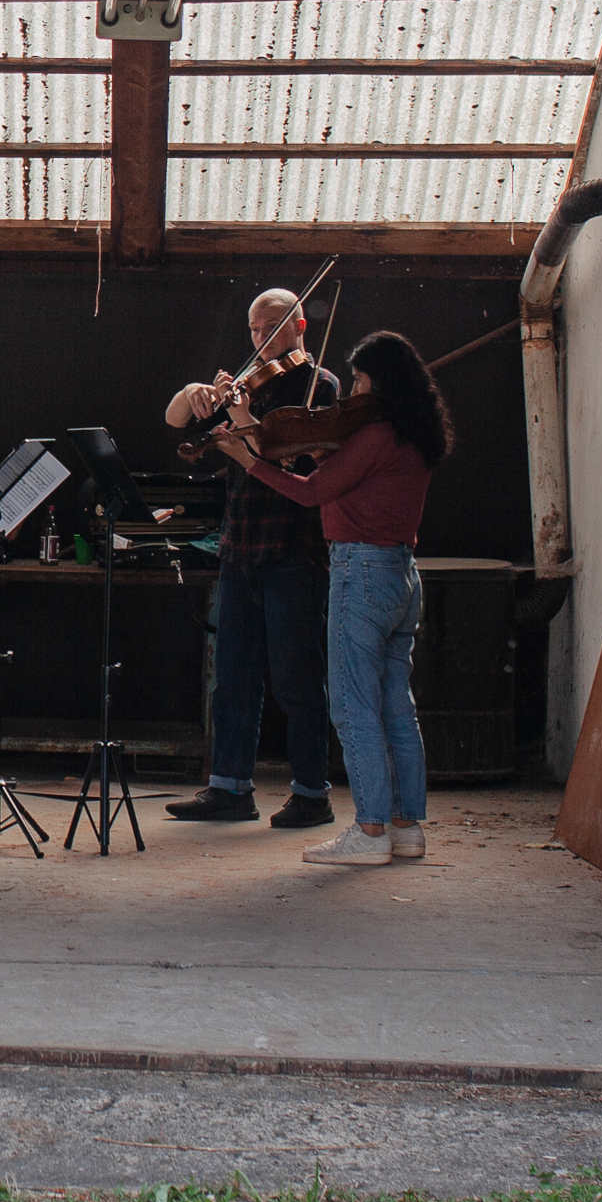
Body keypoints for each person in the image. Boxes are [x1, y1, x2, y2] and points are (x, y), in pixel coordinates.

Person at [214, 331, 451, 866]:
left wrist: (246, 460)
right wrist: (262, 431)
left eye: (362, 379)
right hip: (400, 574)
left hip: (360, 572)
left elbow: (310, 492)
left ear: (381, 380)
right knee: (396, 709)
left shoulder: (374, 435)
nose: (354, 391)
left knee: (353, 706)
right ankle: (406, 827)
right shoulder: (412, 434)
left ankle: (368, 832)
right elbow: (329, 465)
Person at [162, 290, 340, 828]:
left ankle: (313, 793)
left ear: (299, 325)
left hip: (293, 547)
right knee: (233, 675)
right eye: (253, 330)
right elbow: (175, 422)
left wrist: (238, 412)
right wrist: (195, 393)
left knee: (296, 676)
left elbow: (280, 457)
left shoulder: (319, 384)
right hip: (240, 546)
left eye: (269, 327)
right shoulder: (245, 384)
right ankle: (230, 788)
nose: (259, 339)